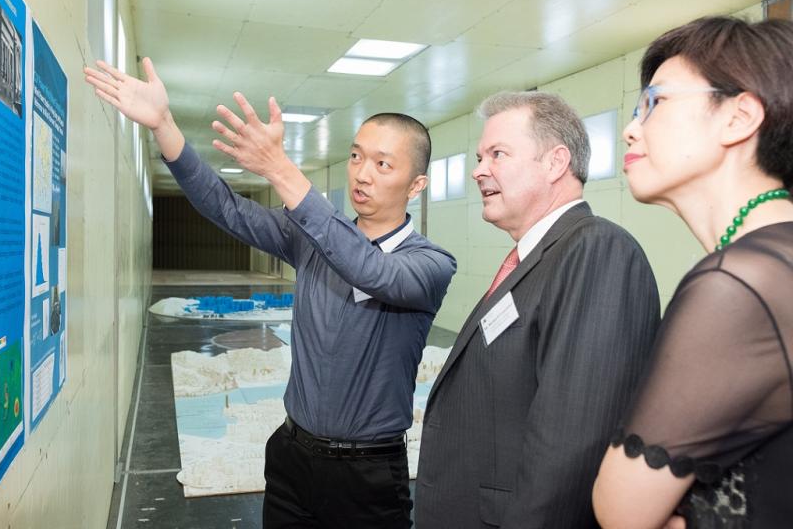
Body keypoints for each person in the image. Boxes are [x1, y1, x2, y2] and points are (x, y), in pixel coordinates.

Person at [84, 58, 457, 528]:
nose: (362, 174)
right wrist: (165, 126)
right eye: (357, 156)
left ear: (417, 185)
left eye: (383, 164)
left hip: (367, 473)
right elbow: (224, 207)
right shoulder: (311, 237)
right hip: (291, 456)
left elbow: (370, 271)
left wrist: (281, 168)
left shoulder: (430, 264)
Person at [415, 91, 661, 528]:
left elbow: (572, 443)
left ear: (555, 162)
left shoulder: (596, 250)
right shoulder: (539, 257)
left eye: (498, 154)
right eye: (478, 156)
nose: (478, 170)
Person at [593, 16, 793, 529]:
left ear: (738, 116)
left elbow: (622, 514)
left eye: (655, 103)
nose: (630, 128)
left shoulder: (740, 282)